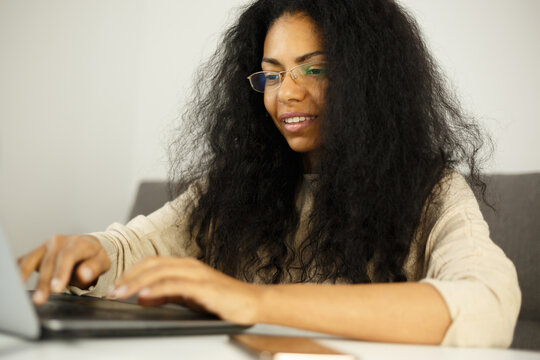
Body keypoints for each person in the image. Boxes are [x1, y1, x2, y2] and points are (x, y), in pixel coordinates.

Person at [18, 0, 520, 348]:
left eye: (314, 68)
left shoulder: (431, 191)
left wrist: (252, 300)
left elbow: (486, 304)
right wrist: (90, 254)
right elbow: (138, 246)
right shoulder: (235, 188)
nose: (287, 95)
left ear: (368, 80)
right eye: (272, 74)